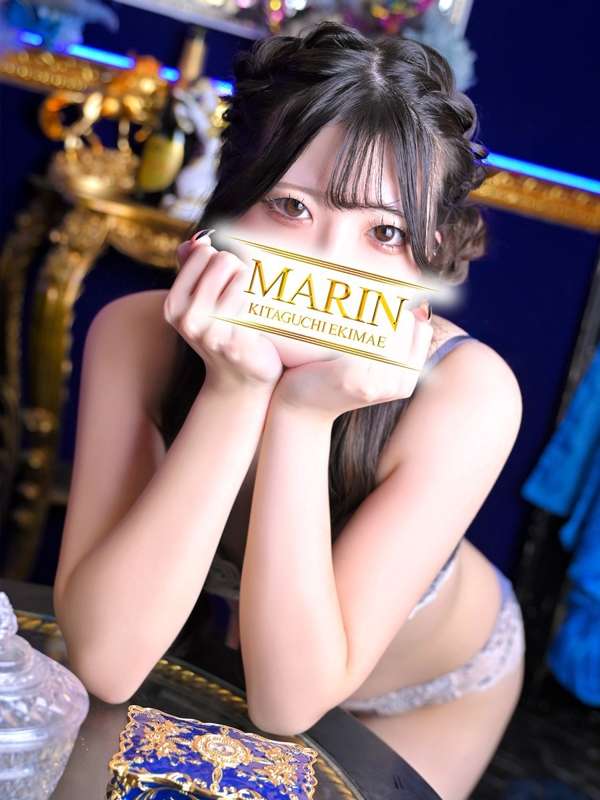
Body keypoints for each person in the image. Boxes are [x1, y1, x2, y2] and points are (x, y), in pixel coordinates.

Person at [54, 22, 525, 800]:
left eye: (384, 231)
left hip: (423, 699)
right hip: (232, 655)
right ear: (231, 202)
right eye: (291, 206)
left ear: (428, 251)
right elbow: (106, 664)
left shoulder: (468, 391)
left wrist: (304, 419)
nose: (329, 261)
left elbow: (289, 704)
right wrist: (235, 390)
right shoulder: (134, 336)